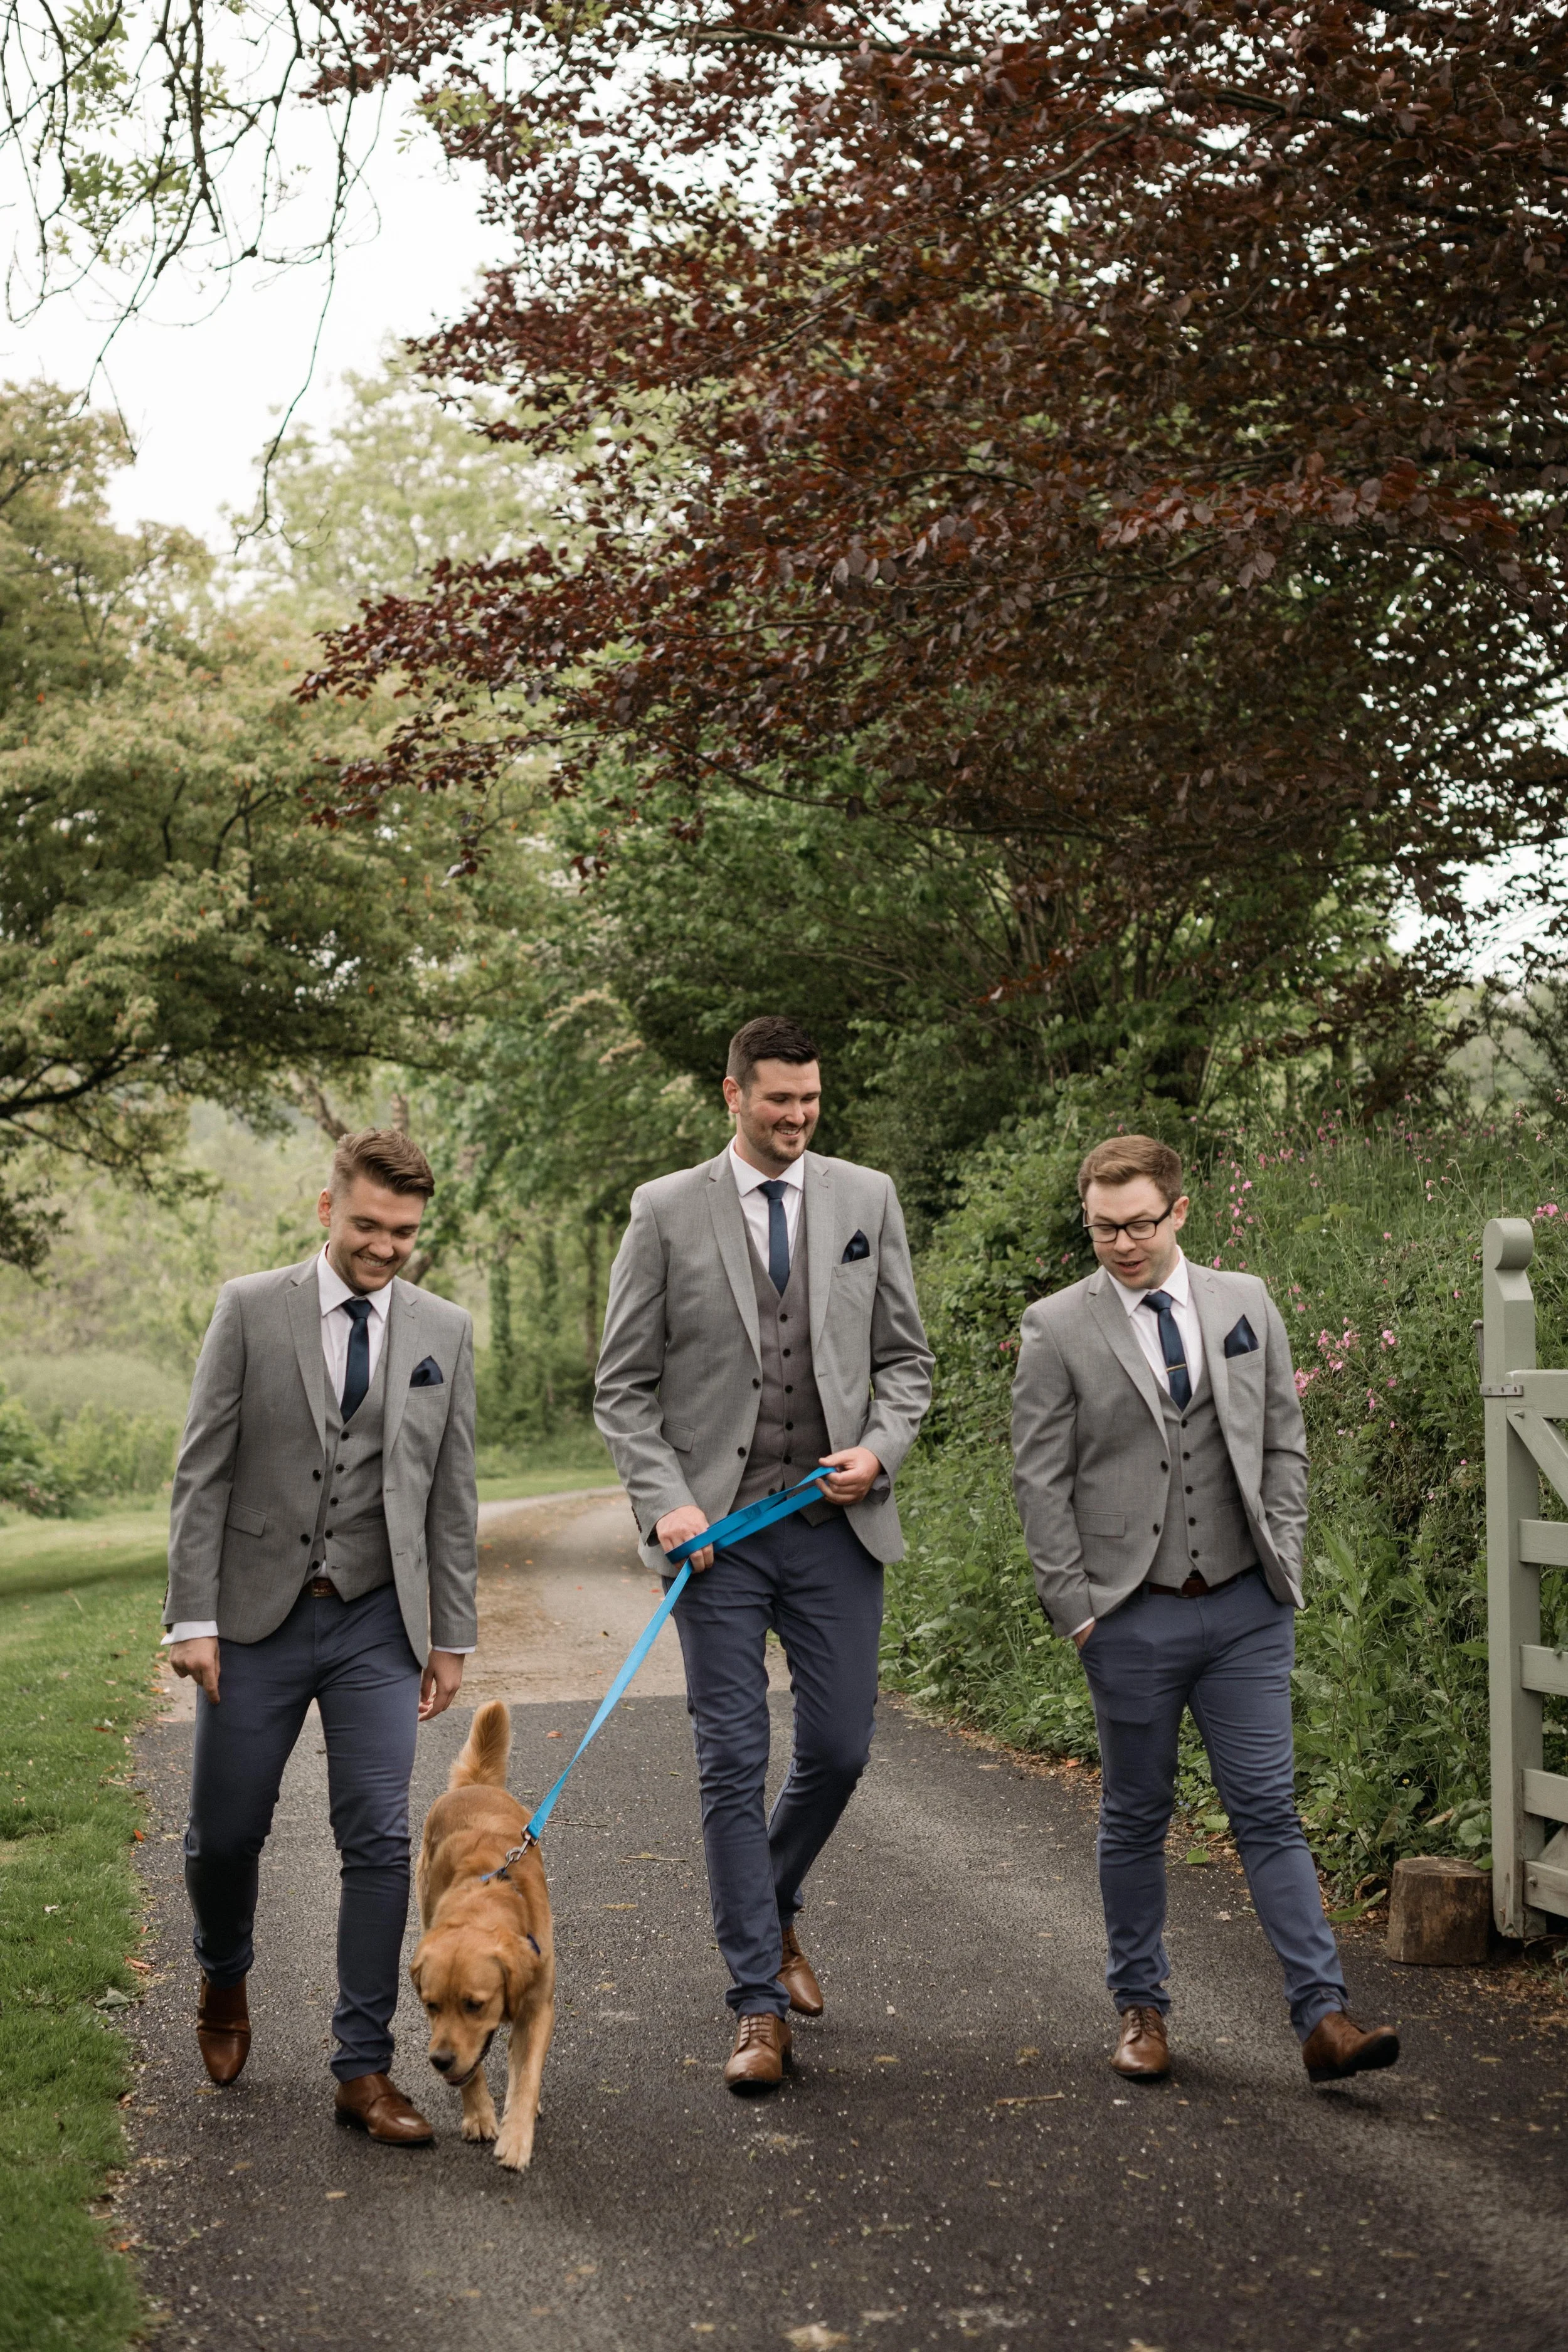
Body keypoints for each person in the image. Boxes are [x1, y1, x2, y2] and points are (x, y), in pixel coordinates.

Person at [1010, 1134, 1399, 2087]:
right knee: (1137, 1815)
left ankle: (1325, 2017)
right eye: (1103, 1227)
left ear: (1179, 1211)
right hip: (1129, 1614)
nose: (1121, 1243)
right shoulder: (1057, 1326)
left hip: (1245, 1608)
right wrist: (1078, 1612)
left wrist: (1286, 1562)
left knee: (1268, 1808)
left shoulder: (1245, 1301)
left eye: (1139, 1222)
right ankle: (1141, 2010)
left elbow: (1284, 1445)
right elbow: (1039, 1480)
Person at [593, 1016, 933, 2091]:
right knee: (730, 1760)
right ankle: (753, 2000)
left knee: (838, 1749)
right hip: (717, 1548)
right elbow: (623, 1387)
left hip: (835, 1529)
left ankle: (771, 1900)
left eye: (811, 1100)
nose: (796, 1118)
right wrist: (666, 1506)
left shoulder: (866, 1199)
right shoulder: (663, 1210)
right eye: (777, 1100)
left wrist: (879, 1452)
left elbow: (907, 1362)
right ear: (730, 1094)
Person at [163, 1128, 478, 2144]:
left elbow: (450, 1495)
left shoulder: (445, 1329)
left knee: (381, 1837)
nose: (386, 1248)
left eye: (405, 1232)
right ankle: (223, 1972)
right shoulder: (251, 1308)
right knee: (225, 1833)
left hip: (377, 1618)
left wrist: (451, 1635)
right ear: (325, 1208)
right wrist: (194, 1617)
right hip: (253, 1617)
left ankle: (363, 2066)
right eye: (368, 1226)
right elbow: (202, 1468)